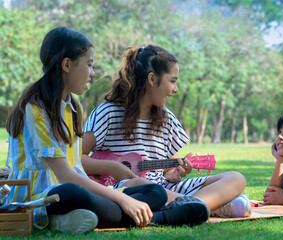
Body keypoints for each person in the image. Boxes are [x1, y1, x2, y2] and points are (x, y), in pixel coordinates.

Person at [5, 27, 209, 235]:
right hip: (40, 196)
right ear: (67, 64)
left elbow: (76, 168)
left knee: (153, 190)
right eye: (89, 65)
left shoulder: (73, 107)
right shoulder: (36, 108)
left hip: (72, 190)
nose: (92, 73)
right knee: (71, 193)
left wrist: (115, 193)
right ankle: (158, 218)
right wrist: (122, 199)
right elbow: (66, 175)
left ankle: (67, 220)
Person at [82, 44, 251, 218]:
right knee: (140, 183)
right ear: (152, 79)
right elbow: (76, 159)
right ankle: (208, 207)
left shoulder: (167, 119)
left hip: (164, 189)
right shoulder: (108, 112)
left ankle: (188, 206)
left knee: (236, 178)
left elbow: (166, 169)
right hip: (126, 191)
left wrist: (175, 173)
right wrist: (113, 167)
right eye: (172, 81)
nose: (176, 89)